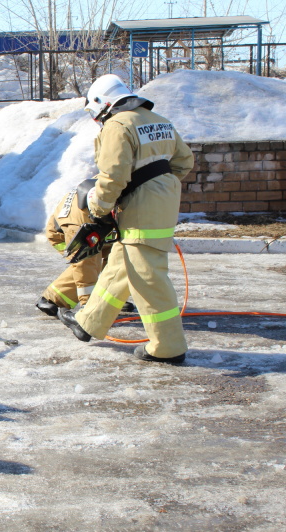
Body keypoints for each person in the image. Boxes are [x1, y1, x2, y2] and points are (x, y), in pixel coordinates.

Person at [57, 74, 194, 365]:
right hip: (160, 205)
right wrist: (159, 189)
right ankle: (88, 322)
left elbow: (113, 176)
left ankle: (168, 347)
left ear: (102, 104)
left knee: (148, 280)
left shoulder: (117, 125)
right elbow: (184, 162)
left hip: (141, 212)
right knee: (120, 265)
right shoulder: (159, 120)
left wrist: (99, 208)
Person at [37, 179, 134, 317]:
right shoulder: (79, 224)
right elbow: (84, 267)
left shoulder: (107, 190)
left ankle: (109, 298)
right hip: (63, 236)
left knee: (116, 256)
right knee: (89, 262)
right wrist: (89, 308)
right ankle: (53, 299)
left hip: (99, 227)